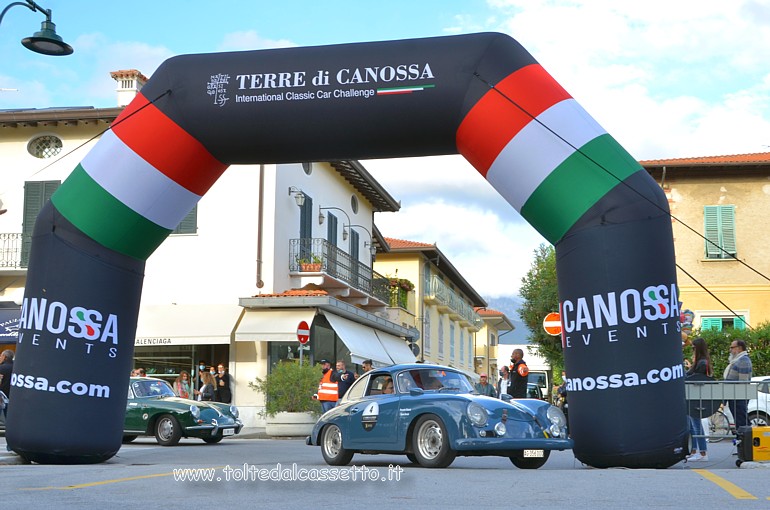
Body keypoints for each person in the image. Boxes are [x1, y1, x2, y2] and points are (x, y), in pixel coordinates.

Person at [685, 337, 713, 462]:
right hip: (694, 395)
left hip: (697, 395)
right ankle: (696, 451)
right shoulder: (701, 361)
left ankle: (702, 452)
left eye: (693, 348)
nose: (692, 350)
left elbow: (693, 376)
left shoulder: (702, 362)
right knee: (693, 424)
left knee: (696, 425)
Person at [724, 339, 753, 429]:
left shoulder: (743, 360)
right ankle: (743, 440)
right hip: (735, 396)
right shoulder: (738, 360)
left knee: (741, 422)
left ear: (739, 348)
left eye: (732, 347)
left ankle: (745, 441)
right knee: (740, 421)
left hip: (739, 397)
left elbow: (743, 382)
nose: (730, 350)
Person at [0, 349, 14, 450]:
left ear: (4, 357)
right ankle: (10, 446)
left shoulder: (1, 368)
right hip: (13, 399)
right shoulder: (17, 367)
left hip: (1, 397)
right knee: (11, 424)